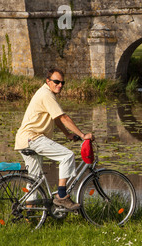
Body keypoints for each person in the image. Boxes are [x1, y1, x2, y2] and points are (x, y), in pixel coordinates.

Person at [14, 68, 95, 210]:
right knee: (67, 155)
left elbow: (56, 118)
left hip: (23, 139)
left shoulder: (46, 93)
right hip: (33, 138)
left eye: (62, 83)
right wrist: (82, 135)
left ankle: (28, 215)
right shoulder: (46, 94)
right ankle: (62, 196)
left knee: (34, 180)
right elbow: (63, 117)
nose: (60, 85)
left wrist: (67, 134)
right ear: (48, 81)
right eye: (56, 82)